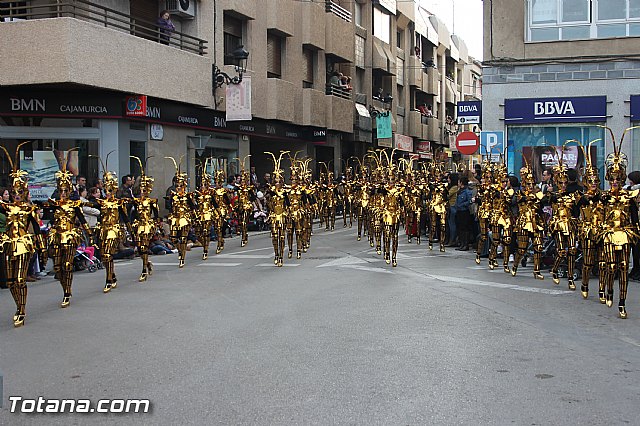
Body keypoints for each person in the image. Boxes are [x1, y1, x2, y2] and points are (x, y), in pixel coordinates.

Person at [454, 176, 473, 251]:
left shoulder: (467, 191)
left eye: (459, 182)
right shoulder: (459, 191)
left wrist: (462, 205)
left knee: (465, 228)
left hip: (464, 211)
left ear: (461, 183)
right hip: (459, 211)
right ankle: (461, 243)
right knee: (460, 228)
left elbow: (469, 201)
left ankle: (465, 244)